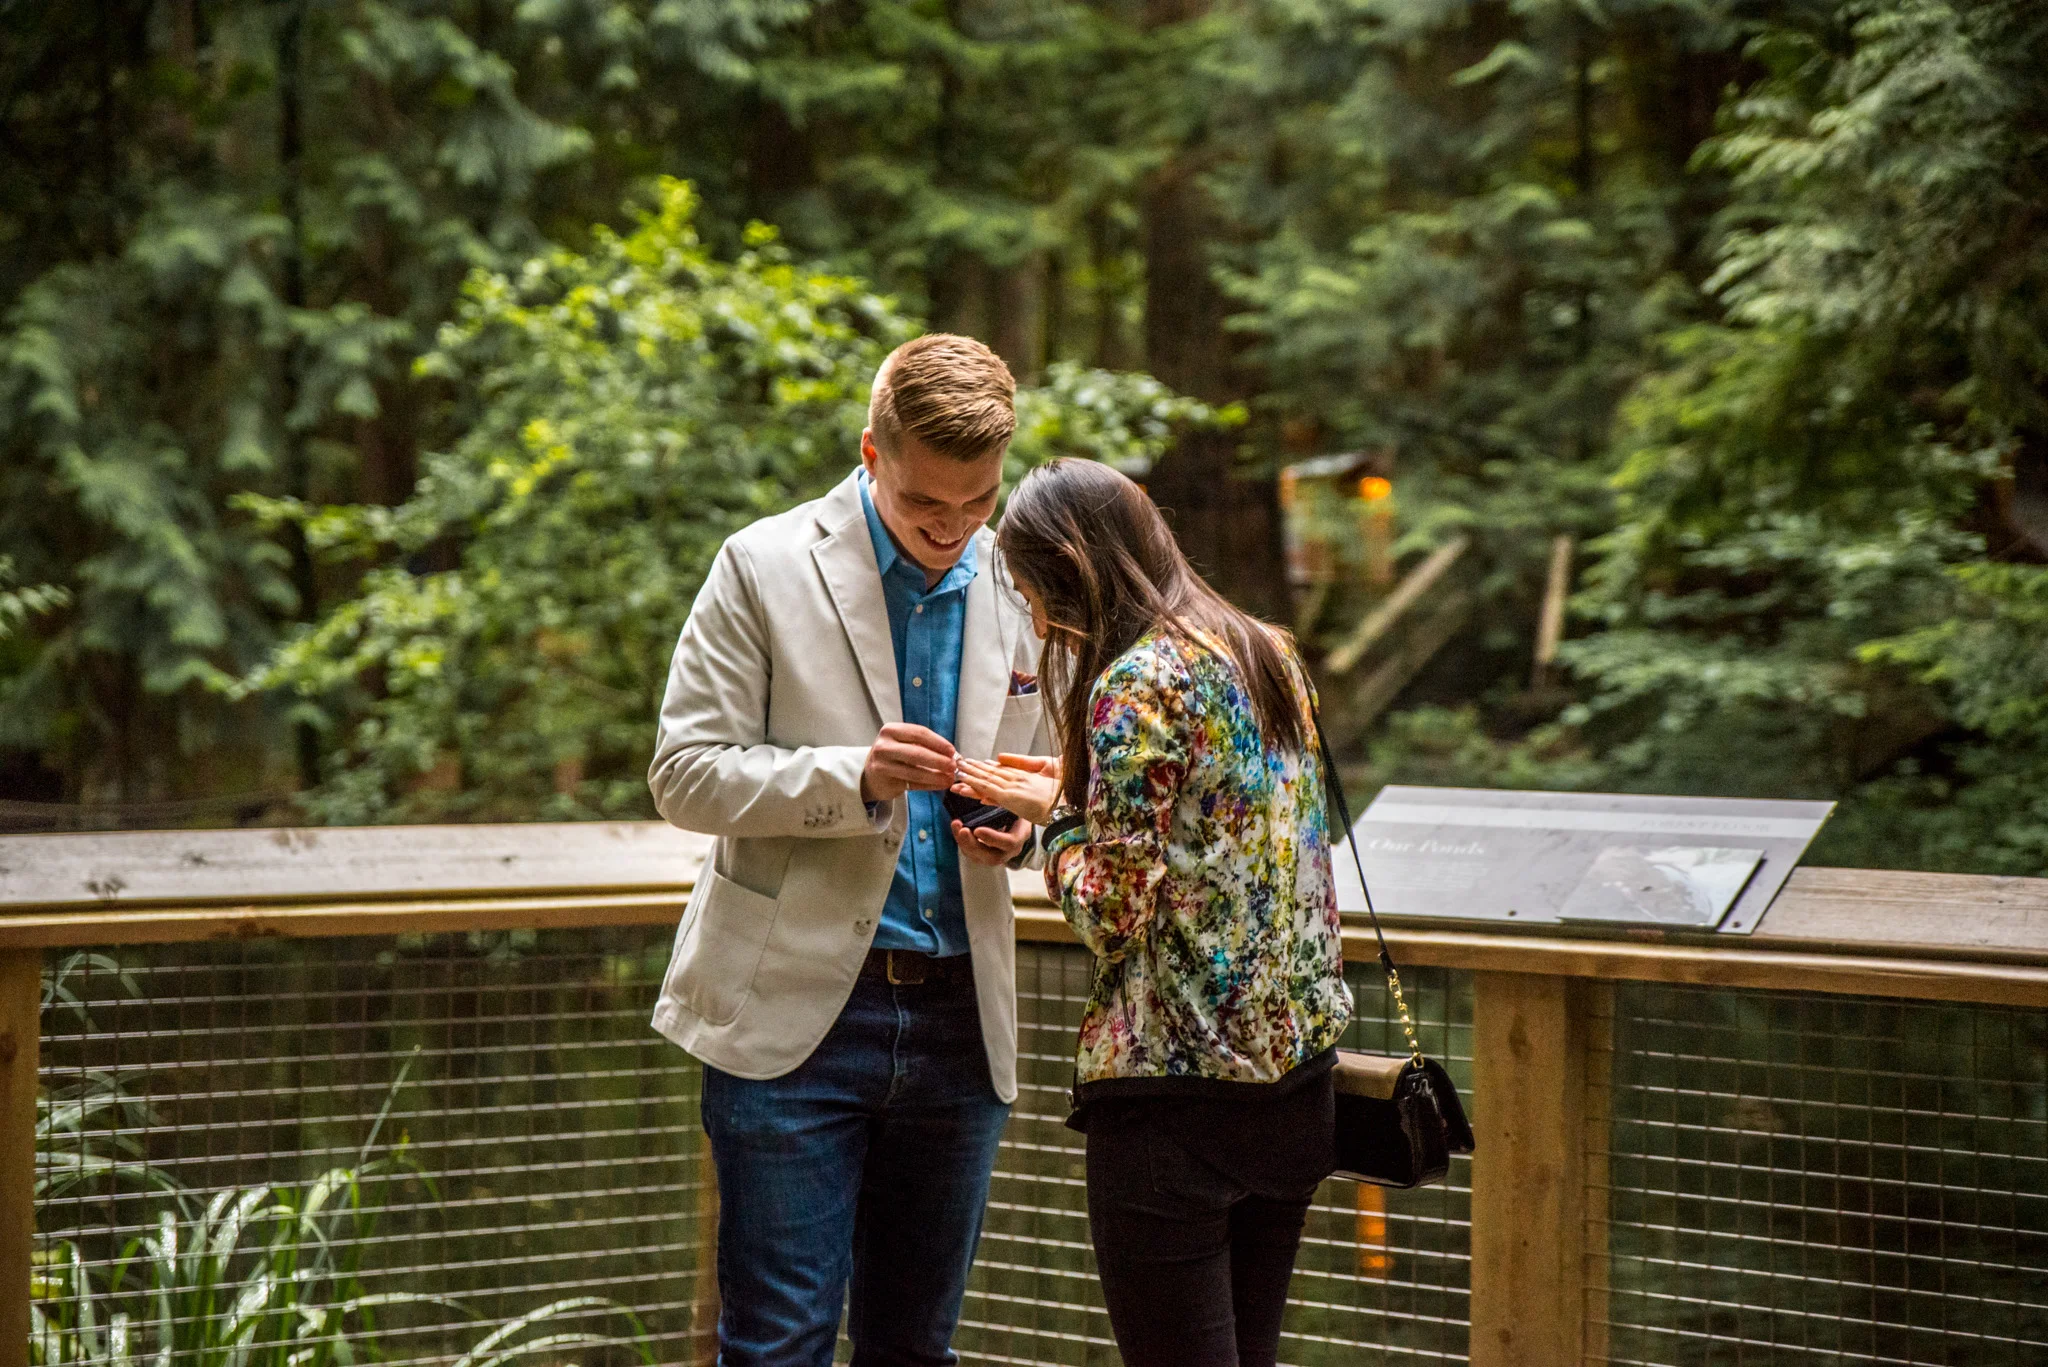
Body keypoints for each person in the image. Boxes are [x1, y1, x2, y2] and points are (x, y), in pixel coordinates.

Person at [647, 333, 1051, 1367]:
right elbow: (683, 774)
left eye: (977, 503)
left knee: (915, 1347)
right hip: (793, 1020)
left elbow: (1048, 769)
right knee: (777, 1343)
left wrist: (1024, 821)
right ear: (870, 452)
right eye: (927, 505)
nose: (953, 530)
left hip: (964, 1016)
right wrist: (850, 776)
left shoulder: (1021, 578)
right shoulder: (760, 563)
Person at [951, 458, 1353, 1367]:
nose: (1044, 622)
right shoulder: (1266, 650)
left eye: (1037, 594)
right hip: (1296, 1089)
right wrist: (1068, 801)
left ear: (1073, 568)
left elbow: (1112, 911)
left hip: (1177, 1100)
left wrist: (1049, 827)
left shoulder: (1134, 683)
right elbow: (1214, 835)